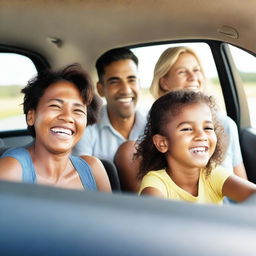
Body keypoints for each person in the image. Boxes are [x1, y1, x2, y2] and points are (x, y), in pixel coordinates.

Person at [114, 46, 247, 192]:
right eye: (182, 72)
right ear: (164, 82)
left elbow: (243, 183)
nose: (193, 77)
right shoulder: (148, 131)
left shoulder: (226, 124)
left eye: (196, 70)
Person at [0, 64, 111, 192]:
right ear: (31, 116)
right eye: (55, 106)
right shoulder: (10, 171)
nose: (67, 117)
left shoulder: (94, 169)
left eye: (78, 110)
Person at [138, 90, 256, 203]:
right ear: (162, 143)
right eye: (187, 129)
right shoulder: (156, 183)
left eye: (208, 128)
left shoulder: (212, 174)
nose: (201, 136)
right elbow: (153, 219)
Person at [73, 47, 146, 162]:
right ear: (101, 89)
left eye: (131, 80)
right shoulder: (86, 129)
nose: (126, 90)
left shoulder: (155, 122)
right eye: (114, 81)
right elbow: (82, 176)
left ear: (139, 84)